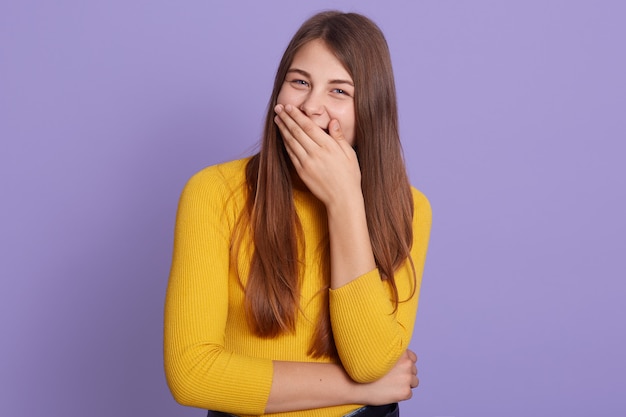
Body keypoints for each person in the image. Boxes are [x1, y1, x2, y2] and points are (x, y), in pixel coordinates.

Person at [164, 10, 432, 417]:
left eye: (339, 91)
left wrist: (344, 201)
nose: (310, 106)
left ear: (370, 111)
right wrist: (362, 388)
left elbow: (370, 360)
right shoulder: (214, 193)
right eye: (300, 82)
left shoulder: (408, 207)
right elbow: (192, 374)